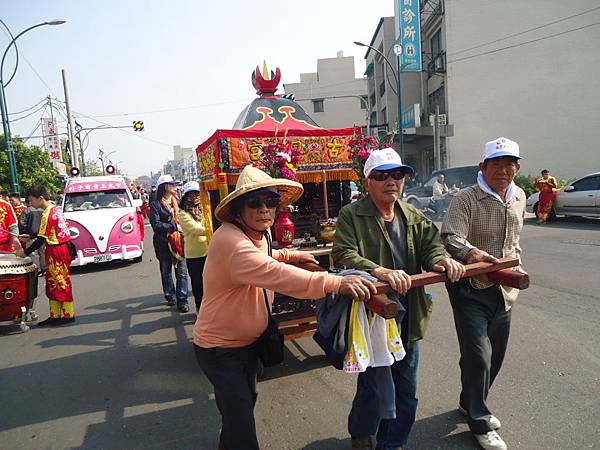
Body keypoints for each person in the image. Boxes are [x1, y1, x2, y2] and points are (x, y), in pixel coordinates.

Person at [193, 165, 377, 450]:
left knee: (240, 410)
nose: (264, 209)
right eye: (254, 203)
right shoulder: (230, 240)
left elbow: (271, 255)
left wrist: (291, 255)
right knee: (242, 423)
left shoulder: (258, 234)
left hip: (247, 344)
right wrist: (334, 283)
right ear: (238, 210)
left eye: (270, 202)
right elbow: (275, 273)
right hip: (221, 349)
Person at [332, 147, 465, 450]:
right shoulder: (351, 215)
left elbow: (432, 245)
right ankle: (362, 430)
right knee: (372, 385)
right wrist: (379, 270)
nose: (391, 181)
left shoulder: (412, 213)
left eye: (397, 174)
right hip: (373, 315)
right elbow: (343, 254)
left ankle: (392, 443)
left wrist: (441, 261)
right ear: (368, 182)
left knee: (407, 387)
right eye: (382, 176)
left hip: (409, 313)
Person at [441, 137, 527, 450]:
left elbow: (515, 240)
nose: (503, 169)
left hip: (504, 289)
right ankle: (479, 420)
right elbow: (450, 236)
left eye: (509, 163)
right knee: (479, 355)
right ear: (483, 167)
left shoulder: (519, 195)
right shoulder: (466, 199)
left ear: (517, 167)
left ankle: (469, 401)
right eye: (496, 163)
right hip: (470, 288)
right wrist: (473, 253)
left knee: (496, 355)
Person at [23, 184, 76, 327]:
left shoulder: (47, 214)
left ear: (40, 198)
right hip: (63, 247)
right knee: (56, 281)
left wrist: (25, 252)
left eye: (31, 200)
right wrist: (29, 236)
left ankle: (66, 314)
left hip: (56, 250)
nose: (30, 204)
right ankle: (57, 314)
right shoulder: (55, 208)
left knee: (58, 282)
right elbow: (45, 232)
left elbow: (41, 239)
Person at [149, 174, 189, 312]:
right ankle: (170, 295)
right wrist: (173, 227)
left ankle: (182, 301)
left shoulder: (178, 202)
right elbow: (155, 224)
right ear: (165, 187)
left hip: (179, 241)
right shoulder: (155, 205)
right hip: (163, 242)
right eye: (172, 184)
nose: (175, 186)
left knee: (182, 272)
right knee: (166, 271)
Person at [178, 181, 208, 313]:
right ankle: (200, 311)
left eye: (197, 193)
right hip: (194, 256)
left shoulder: (204, 208)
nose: (194, 197)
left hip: (208, 252)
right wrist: (212, 230)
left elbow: (209, 221)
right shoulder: (183, 214)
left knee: (210, 285)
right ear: (185, 197)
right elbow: (196, 229)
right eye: (191, 194)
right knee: (198, 286)